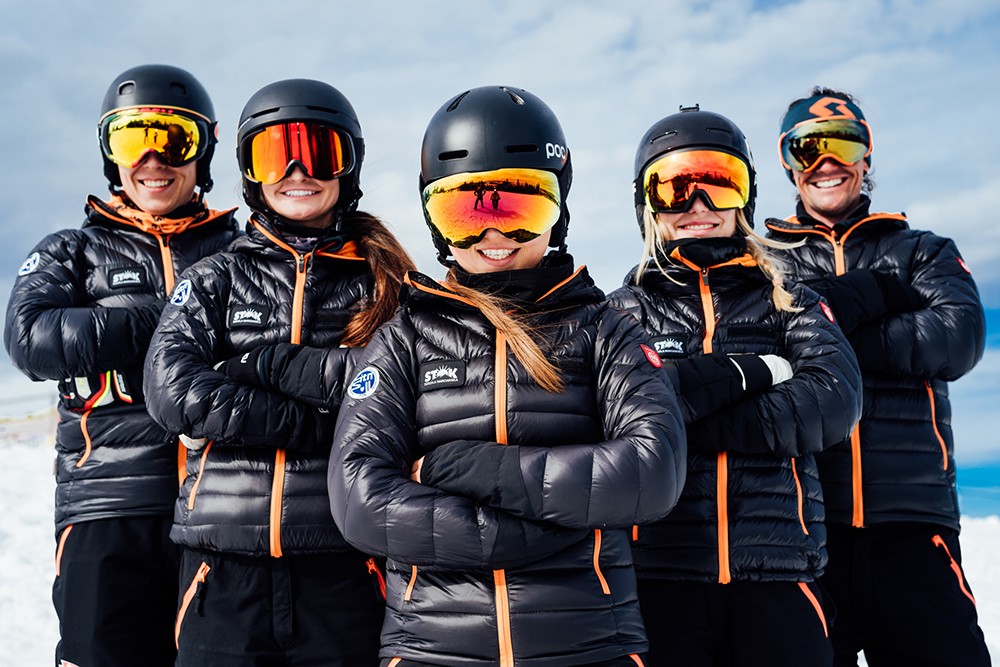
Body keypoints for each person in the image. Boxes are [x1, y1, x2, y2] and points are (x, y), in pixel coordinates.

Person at [298, 85, 686, 667]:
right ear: (434, 222)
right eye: (463, 214)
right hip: (434, 650)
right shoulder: (405, 338)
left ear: (559, 211)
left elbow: (653, 469)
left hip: (585, 646)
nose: (493, 236)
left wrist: (481, 469)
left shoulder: (605, 329)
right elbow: (358, 498)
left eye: (520, 208)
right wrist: (531, 532)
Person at [142, 78, 414, 666]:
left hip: (344, 565)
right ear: (249, 171)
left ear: (350, 165)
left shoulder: (386, 284)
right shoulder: (215, 278)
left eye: (319, 152)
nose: (297, 171)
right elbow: (170, 389)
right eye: (274, 154)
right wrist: (310, 423)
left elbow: (398, 388)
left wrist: (259, 370)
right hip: (223, 569)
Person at [3, 64, 239, 666]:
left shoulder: (240, 253)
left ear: (204, 151)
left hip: (220, 506)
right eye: (132, 140)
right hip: (107, 505)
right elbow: (30, 336)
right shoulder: (74, 252)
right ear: (110, 153)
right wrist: (169, 317)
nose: (153, 160)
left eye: (175, 140)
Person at [609, 105, 862, 667]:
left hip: (778, 574)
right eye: (674, 188)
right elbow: (610, 417)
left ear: (744, 198)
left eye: (720, 182)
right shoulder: (621, 313)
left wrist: (684, 415)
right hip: (660, 577)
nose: (698, 205)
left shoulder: (787, 297)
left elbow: (832, 398)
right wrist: (749, 378)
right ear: (647, 205)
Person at [765, 87, 991, 667]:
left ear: (867, 157)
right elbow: (762, 344)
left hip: (911, 525)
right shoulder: (768, 261)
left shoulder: (922, 252)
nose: (827, 163)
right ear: (789, 164)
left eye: (844, 144)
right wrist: (874, 302)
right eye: (807, 148)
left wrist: (825, 333)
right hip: (808, 530)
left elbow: (958, 335)